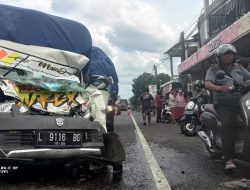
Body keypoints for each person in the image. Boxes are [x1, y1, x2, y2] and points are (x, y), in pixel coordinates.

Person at [205, 43, 250, 170]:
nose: (228, 56)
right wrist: (219, 88)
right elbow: (208, 84)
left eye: (230, 54)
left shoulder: (239, 68)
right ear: (219, 56)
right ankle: (229, 158)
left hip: (243, 102)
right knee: (228, 125)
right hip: (224, 105)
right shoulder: (213, 70)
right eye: (225, 54)